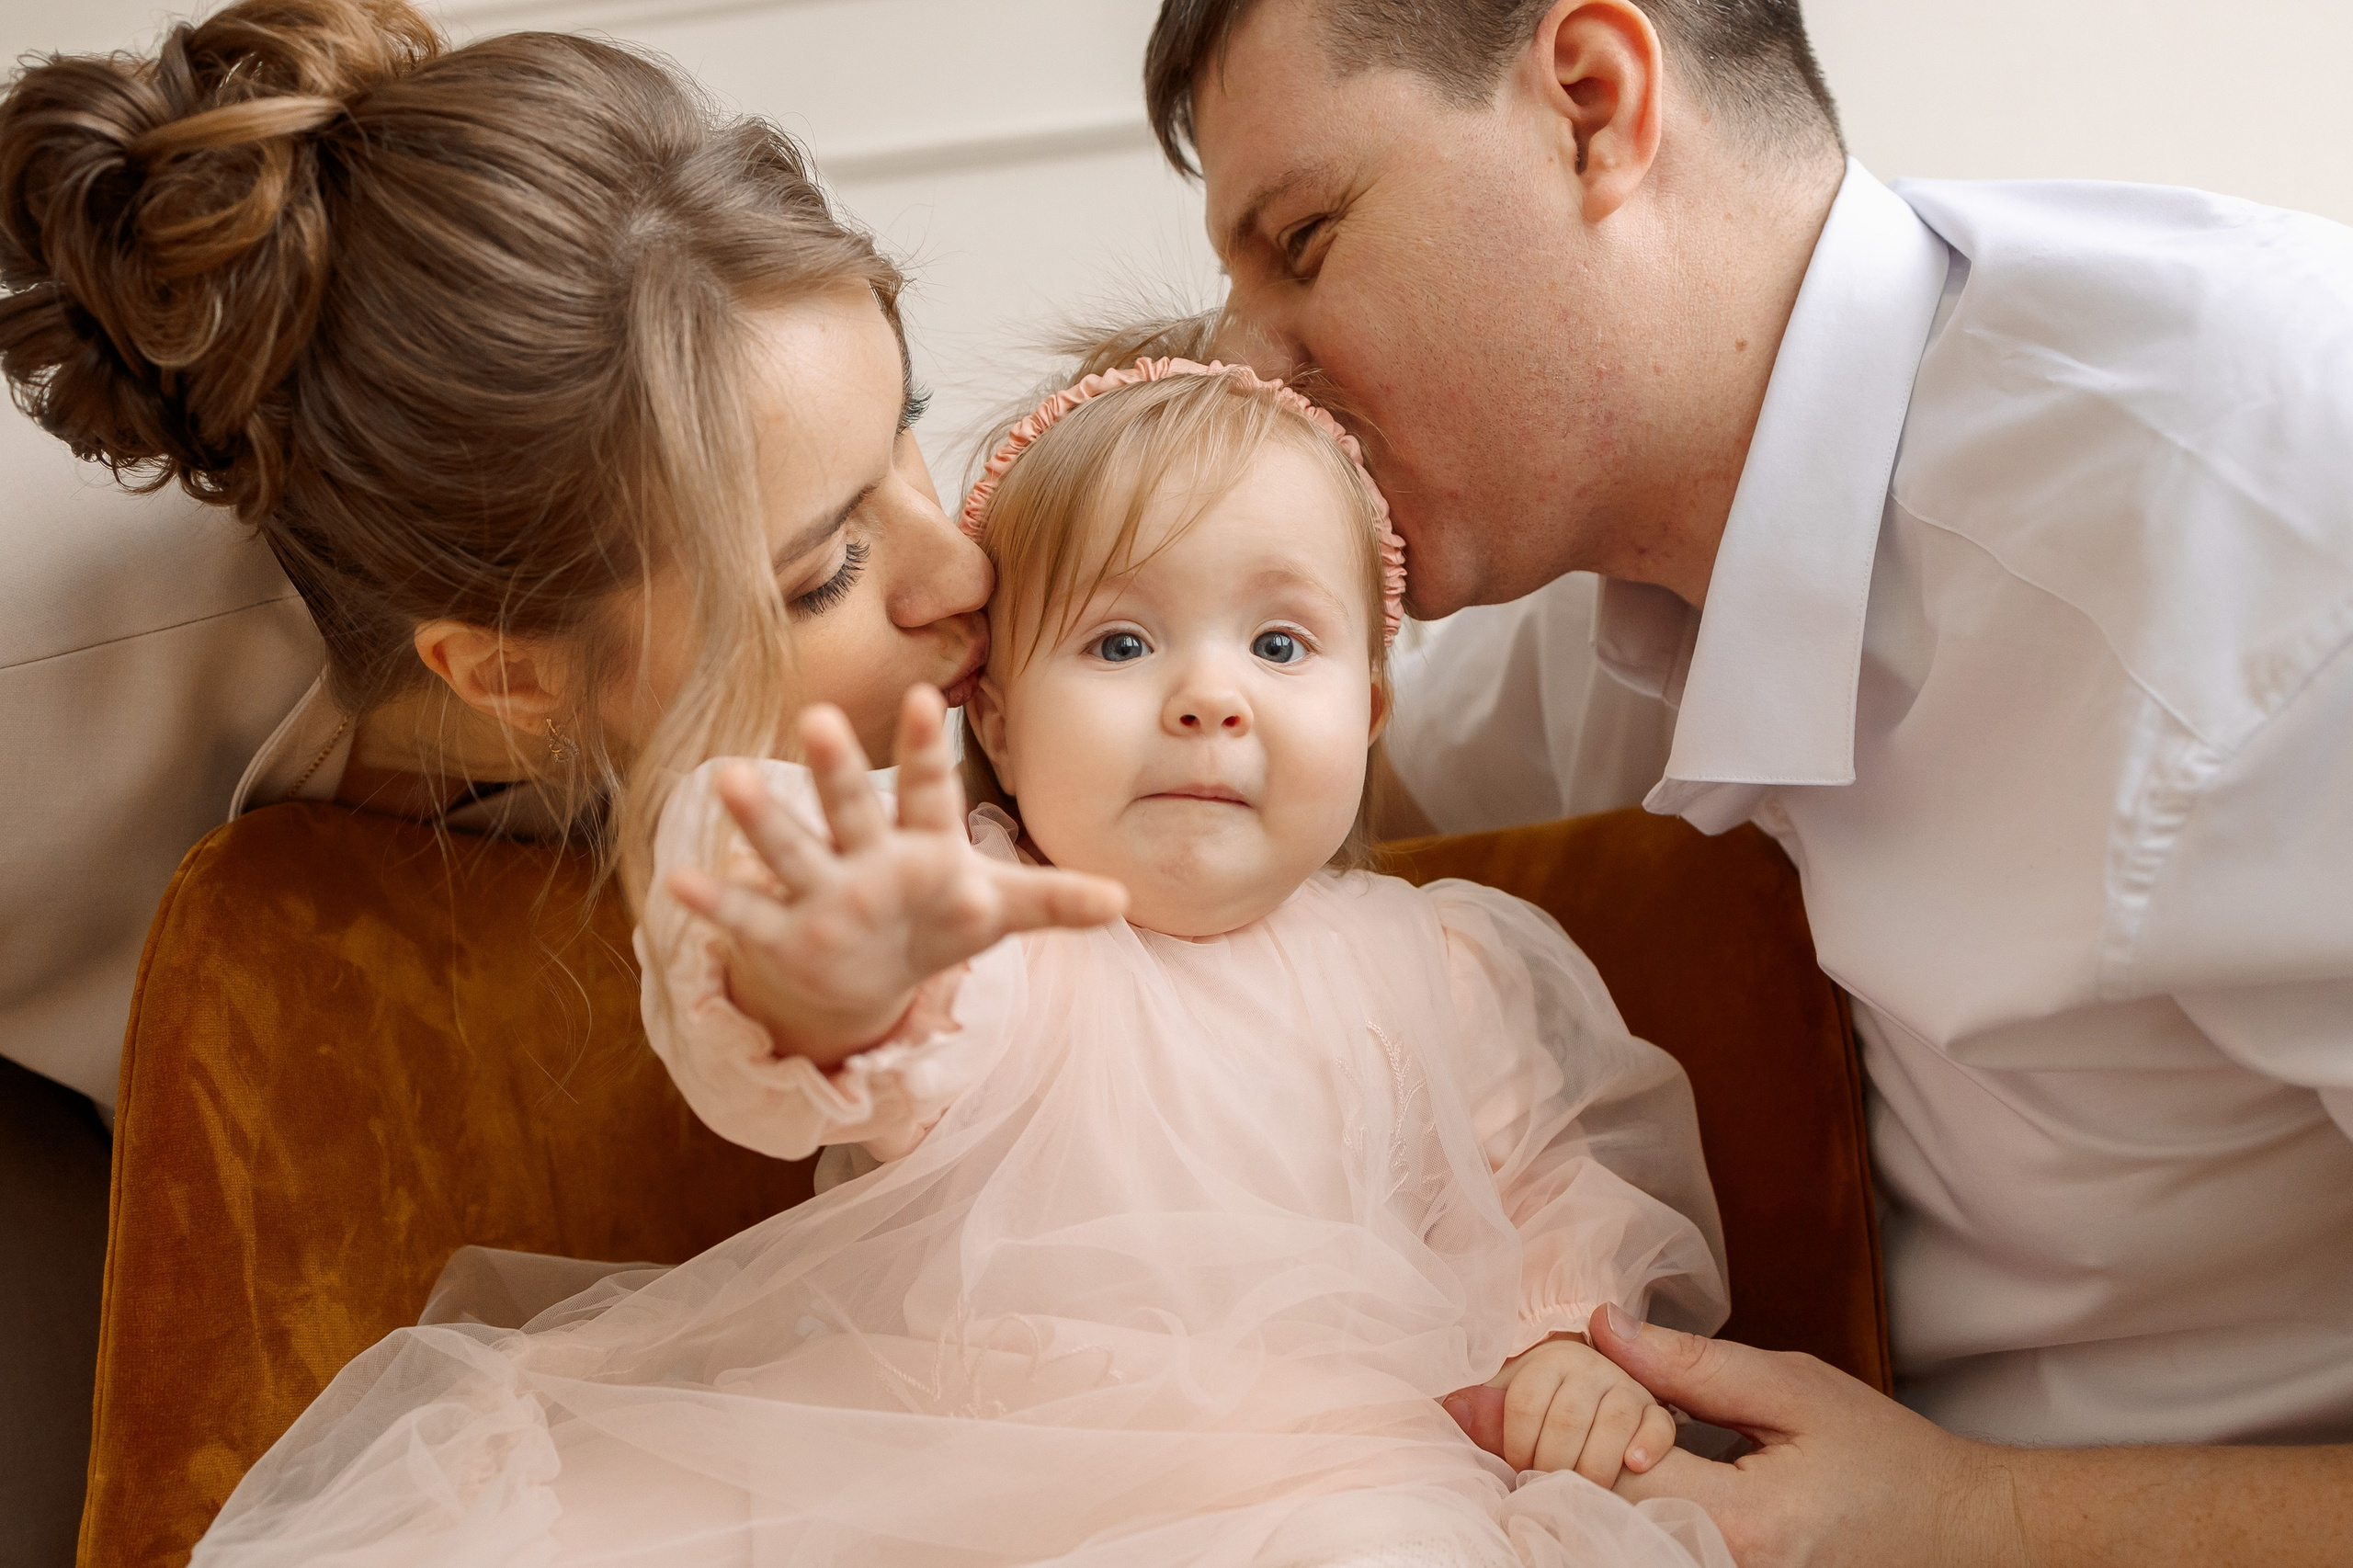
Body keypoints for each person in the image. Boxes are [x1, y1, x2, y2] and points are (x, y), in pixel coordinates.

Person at [1142, 0, 2353, 1562]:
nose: (1249, 365)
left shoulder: (2262, 540)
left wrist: (1977, 1516)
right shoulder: (1613, 593)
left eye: (1302, 241)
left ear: (1593, 102)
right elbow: (1284, 827)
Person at [192, 355, 1735, 1567]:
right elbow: (869, 1039)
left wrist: (1564, 1343)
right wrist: (837, 971)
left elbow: (1556, 1175)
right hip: (969, 1489)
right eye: (1123, 645)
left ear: (1374, 715)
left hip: (1355, 1483)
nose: (1210, 697)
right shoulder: (986, 923)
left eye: (1281, 645)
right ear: (993, 716)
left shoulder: (1443, 963)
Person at [0, 0, 1113, 1554]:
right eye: (829, 569)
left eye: (907, 427)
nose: (960, 563)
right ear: (510, 674)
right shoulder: (45, 710)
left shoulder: (906, 610)